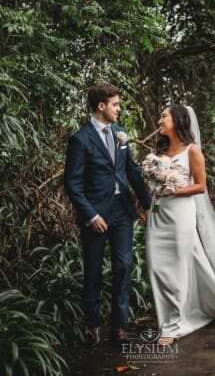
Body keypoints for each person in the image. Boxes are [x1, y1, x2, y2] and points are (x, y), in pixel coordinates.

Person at [146, 105, 215, 346]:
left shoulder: (192, 151)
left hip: (180, 216)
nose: (159, 120)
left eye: (164, 116)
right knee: (156, 267)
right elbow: (153, 186)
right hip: (158, 216)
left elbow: (200, 186)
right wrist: (154, 191)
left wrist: (173, 189)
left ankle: (173, 325)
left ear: (179, 120)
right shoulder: (159, 153)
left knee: (176, 268)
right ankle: (187, 310)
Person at [64, 83, 152, 346]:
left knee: (123, 266)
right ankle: (93, 324)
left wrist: (147, 203)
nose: (119, 108)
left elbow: (133, 172)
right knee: (93, 271)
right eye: (115, 104)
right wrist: (91, 215)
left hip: (122, 211)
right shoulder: (80, 139)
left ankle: (120, 325)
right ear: (101, 106)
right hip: (96, 217)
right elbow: (72, 183)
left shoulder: (121, 134)